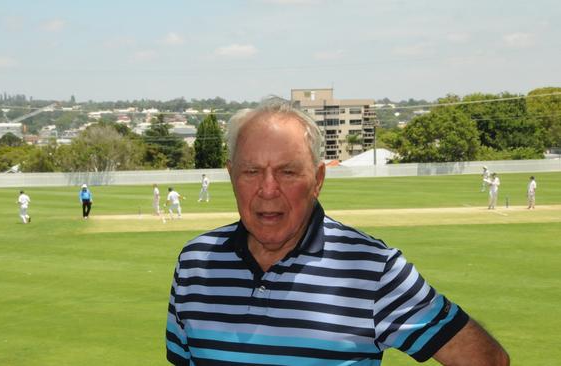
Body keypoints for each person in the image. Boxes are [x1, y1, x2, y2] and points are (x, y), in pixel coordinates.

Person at [166, 98, 509, 365]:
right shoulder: (195, 262)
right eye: (251, 171)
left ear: (317, 180)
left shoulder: (373, 269)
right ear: (231, 175)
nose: (267, 189)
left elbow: (487, 360)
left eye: (287, 172)